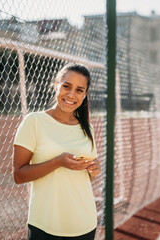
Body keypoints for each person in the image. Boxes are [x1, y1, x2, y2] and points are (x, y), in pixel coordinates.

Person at [13, 63, 101, 240]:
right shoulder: (34, 122)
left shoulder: (87, 128)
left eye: (79, 90)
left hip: (84, 222)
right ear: (56, 85)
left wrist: (93, 170)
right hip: (45, 224)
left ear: (85, 95)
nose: (71, 95)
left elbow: (87, 176)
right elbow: (19, 176)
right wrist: (58, 162)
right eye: (66, 86)